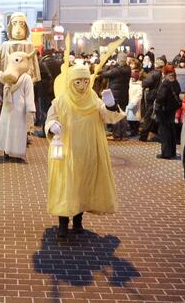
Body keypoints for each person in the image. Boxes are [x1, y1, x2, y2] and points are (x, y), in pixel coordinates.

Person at [45, 64, 125, 238]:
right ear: (71, 82)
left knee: (83, 185)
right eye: (78, 81)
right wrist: (52, 126)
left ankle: (78, 221)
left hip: (89, 151)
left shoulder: (94, 99)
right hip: (67, 152)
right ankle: (63, 223)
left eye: (85, 81)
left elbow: (108, 117)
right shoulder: (60, 101)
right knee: (66, 185)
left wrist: (111, 105)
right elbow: (50, 118)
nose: (82, 85)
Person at [0, 50, 36, 161]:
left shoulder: (26, 78)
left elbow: (29, 94)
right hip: (9, 107)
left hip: (18, 109)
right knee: (7, 130)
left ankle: (17, 152)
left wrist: (30, 110)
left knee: (18, 130)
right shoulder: (8, 77)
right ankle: (7, 150)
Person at [100, 52, 131, 141]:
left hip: (115, 95)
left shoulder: (116, 70)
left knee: (116, 115)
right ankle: (124, 135)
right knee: (123, 114)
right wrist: (115, 65)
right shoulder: (128, 69)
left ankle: (117, 135)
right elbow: (116, 70)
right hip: (124, 95)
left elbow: (104, 74)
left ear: (118, 59)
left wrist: (107, 65)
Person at [155, 65, 181, 159]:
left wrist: (157, 105)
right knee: (171, 130)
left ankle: (165, 154)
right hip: (172, 109)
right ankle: (172, 152)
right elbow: (178, 91)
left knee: (164, 131)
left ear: (165, 73)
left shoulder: (166, 82)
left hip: (164, 110)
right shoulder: (175, 81)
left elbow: (161, 97)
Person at [139, 58, 165, 142]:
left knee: (148, 117)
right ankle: (160, 136)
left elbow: (145, 83)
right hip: (161, 97)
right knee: (160, 118)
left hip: (152, 97)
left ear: (155, 65)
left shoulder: (153, 73)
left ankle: (143, 137)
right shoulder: (164, 74)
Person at [126, 69, 143, 137]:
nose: (132, 79)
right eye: (131, 77)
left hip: (135, 104)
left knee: (135, 119)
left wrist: (133, 103)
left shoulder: (139, 85)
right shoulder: (130, 83)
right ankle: (132, 130)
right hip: (130, 102)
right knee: (130, 119)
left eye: (133, 78)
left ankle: (135, 131)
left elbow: (139, 95)